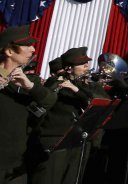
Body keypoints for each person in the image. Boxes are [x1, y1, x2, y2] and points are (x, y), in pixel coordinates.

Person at [30, 47, 110, 184]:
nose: (87, 66)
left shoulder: (91, 86)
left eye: (87, 63)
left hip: (80, 142)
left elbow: (102, 104)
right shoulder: (56, 83)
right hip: (56, 142)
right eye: (82, 64)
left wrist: (77, 90)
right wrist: (70, 87)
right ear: (68, 69)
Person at [0, 25, 56, 183]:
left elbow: (50, 102)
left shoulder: (29, 81)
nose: (33, 49)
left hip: (19, 165)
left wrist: (30, 87)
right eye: (27, 45)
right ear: (9, 51)